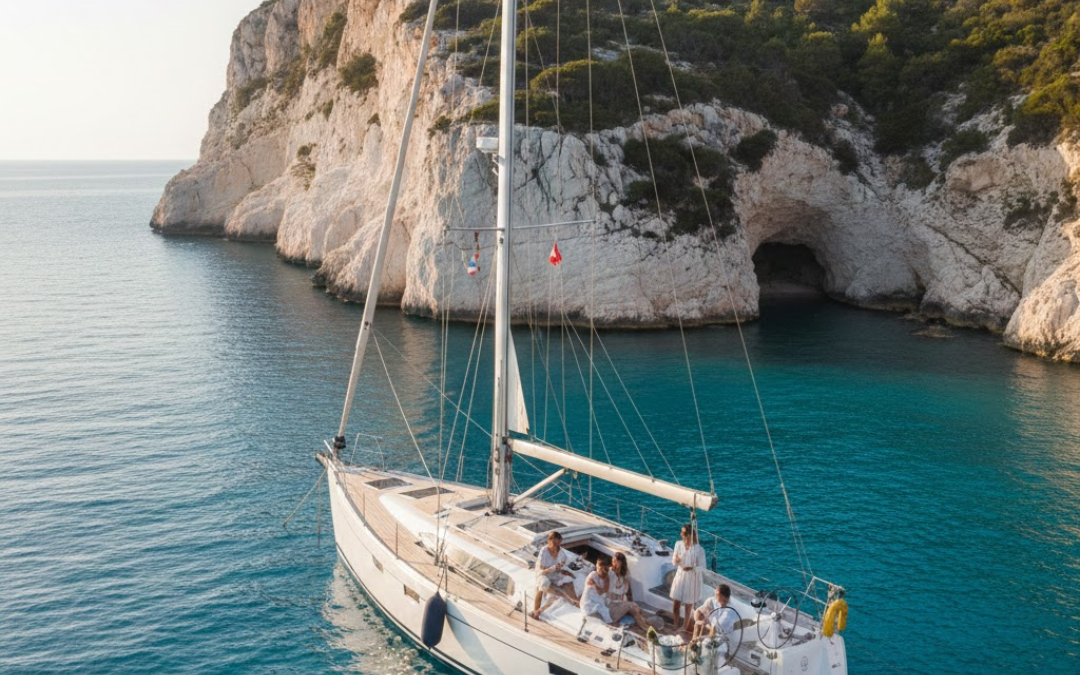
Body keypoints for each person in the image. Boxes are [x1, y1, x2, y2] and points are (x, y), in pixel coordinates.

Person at [531, 531, 576, 619]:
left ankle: (541, 610)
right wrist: (554, 567)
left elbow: (560, 569)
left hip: (554, 575)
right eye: (554, 543)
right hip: (542, 574)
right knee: (544, 583)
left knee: (567, 584)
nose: (556, 545)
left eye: (558, 543)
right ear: (549, 541)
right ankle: (535, 609)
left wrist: (562, 571)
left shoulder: (562, 554)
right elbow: (542, 569)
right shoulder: (544, 551)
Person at [669, 523, 705, 632]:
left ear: (690, 535)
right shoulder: (678, 544)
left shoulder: (699, 549)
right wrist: (676, 560)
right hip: (680, 575)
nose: (681, 534)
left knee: (688, 605)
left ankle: (684, 627)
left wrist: (693, 569)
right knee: (676, 604)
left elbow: (703, 567)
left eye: (683, 533)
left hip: (691, 577)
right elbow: (673, 563)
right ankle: (675, 626)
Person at [607, 552, 651, 631]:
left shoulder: (625, 574)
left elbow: (627, 590)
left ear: (622, 562)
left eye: (616, 561)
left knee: (635, 607)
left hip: (619, 604)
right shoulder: (610, 572)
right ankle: (646, 628)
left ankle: (645, 624)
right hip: (611, 606)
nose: (614, 563)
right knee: (631, 606)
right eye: (613, 561)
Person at [579, 556, 612, 622]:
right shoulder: (592, 575)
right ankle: (589, 613)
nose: (599, 570)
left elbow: (605, 590)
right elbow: (596, 590)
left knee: (604, 602)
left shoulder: (606, 577)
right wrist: (599, 589)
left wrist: (600, 589)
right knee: (590, 590)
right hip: (589, 599)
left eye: (601, 568)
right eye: (598, 568)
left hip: (599, 598)